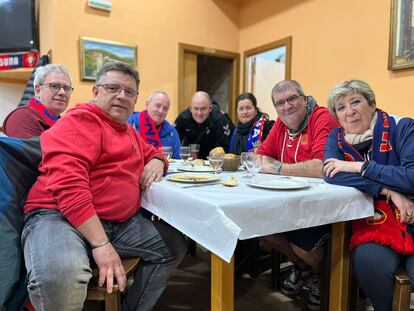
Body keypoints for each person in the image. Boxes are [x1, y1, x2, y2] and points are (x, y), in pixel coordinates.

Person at [21, 61, 186, 311]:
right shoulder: (79, 121)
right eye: (113, 88)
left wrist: (157, 161)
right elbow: (69, 188)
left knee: (174, 247)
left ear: (135, 100)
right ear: (96, 92)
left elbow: (153, 151)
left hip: (116, 224)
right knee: (61, 277)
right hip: (58, 215)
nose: (121, 96)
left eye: (129, 91)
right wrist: (101, 245)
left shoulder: (127, 131)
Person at [323, 79, 414, 311]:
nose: (349, 111)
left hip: (412, 217)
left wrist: (360, 167)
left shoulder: (402, 127)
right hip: (374, 220)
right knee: (369, 260)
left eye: (356, 102)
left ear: (372, 104)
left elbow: (412, 178)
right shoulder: (336, 137)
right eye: (341, 107)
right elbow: (331, 174)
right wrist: (388, 191)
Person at [256, 80, 338, 311]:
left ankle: (318, 276)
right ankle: (303, 268)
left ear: (304, 98)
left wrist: (278, 167)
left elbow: (322, 167)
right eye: (280, 103)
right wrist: (277, 165)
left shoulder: (321, 118)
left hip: (321, 204)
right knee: (260, 228)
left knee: (303, 246)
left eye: (292, 99)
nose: (287, 106)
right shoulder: (282, 124)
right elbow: (260, 156)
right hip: (289, 200)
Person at [3, 64, 72, 138]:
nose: (62, 92)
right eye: (54, 86)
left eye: (66, 88)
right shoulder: (23, 116)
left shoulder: (63, 123)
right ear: (38, 90)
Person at [174, 91, 234, 159]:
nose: (199, 113)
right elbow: (174, 142)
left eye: (203, 109)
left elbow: (225, 149)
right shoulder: (183, 118)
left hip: (214, 163)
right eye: (196, 108)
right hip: (190, 163)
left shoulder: (220, 119)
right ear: (190, 108)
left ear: (210, 108)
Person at [128, 91, 181, 159]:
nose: (161, 111)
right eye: (158, 106)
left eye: (165, 108)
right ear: (147, 104)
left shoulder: (172, 133)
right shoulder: (130, 123)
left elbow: (177, 160)